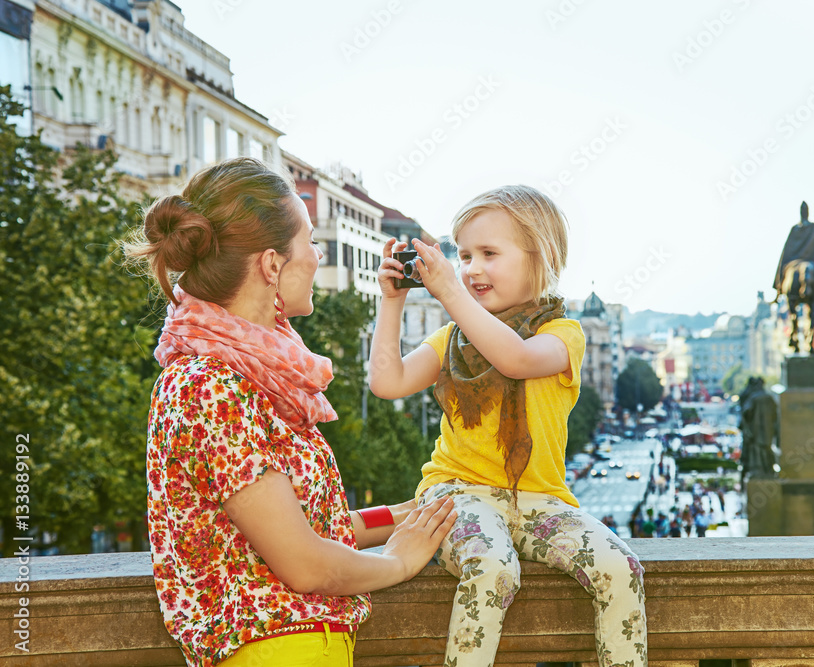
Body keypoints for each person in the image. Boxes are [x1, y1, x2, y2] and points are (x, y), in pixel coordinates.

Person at [122, 158, 457, 666]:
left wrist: (405, 517)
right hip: (278, 651)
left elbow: (293, 527)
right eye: (309, 242)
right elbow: (303, 563)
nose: (319, 256)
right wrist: (398, 559)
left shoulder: (249, 373)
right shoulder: (209, 386)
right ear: (272, 264)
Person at [369, 185, 647, 665]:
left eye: (489, 253)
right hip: (457, 494)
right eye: (463, 255)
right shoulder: (451, 337)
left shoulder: (564, 334)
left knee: (622, 568)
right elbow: (388, 383)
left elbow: (516, 359)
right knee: (492, 567)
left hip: (540, 500)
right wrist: (390, 303)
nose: (471, 268)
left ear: (540, 258)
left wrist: (450, 292)